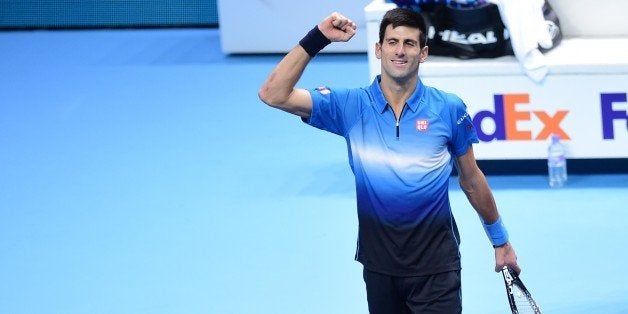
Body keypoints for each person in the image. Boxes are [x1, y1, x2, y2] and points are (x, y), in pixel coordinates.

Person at [258, 8, 519, 314]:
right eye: (392, 42)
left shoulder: (448, 108)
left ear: (423, 54)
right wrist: (318, 38)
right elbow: (272, 93)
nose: (400, 51)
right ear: (379, 49)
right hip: (379, 267)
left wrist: (500, 241)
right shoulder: (350, 105)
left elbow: (471, 179)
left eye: (409, 43)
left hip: (436, 267)